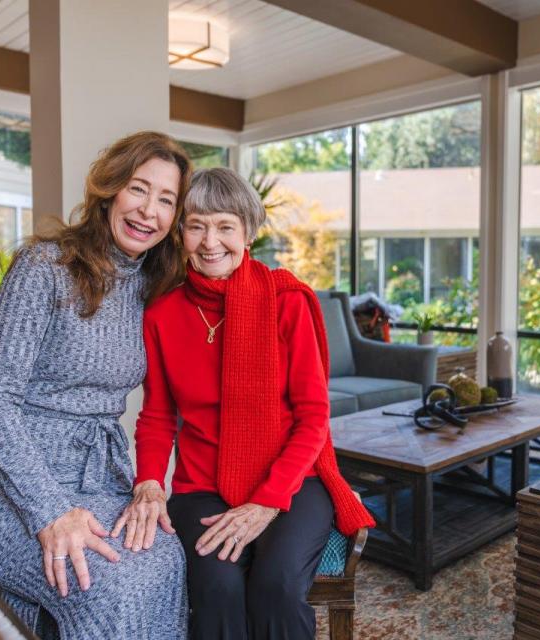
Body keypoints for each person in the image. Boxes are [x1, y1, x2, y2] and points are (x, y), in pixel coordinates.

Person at [0, 131, 192, 639]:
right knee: (108, 582)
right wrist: (50, 512)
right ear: (110, 190)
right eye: (138, 189)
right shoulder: (45, 267)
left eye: (166, 199)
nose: (148, 210)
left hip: (100, 477)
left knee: (165, 558)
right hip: (6, 488)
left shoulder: (153, 286)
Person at [127, 167, 374, 640]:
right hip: (202, 484)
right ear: (180, 232)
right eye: (196, 225)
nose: (210, 241)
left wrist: (265, 500)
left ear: (248, 232)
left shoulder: (287, 301)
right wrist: (149, 484)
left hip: (293, 482)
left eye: (225, 226)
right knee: (216, 588)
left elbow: (312, 417)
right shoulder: (162, 315)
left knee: (276, 585)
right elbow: (158, 416)